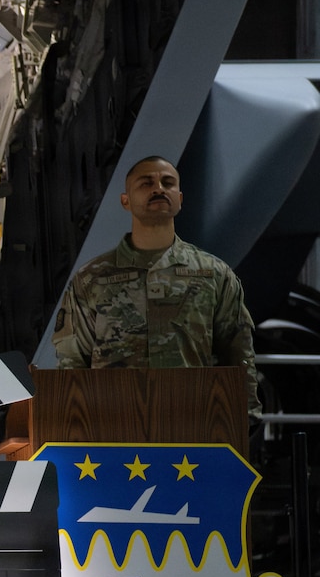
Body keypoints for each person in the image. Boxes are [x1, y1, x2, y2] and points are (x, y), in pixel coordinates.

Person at [51, 155, 259, 416]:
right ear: (125, 201)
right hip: (112, 425)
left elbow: (238, 350)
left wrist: (247, 414)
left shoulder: (213, 274)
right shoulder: (92, 279)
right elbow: (72, 360)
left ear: (180, 199)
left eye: (167, 183)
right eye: (146, 183)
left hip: (193, 422)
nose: (158, 188)